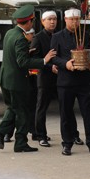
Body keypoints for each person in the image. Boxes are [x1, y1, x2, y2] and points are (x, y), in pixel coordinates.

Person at [0, 5, 56, 153]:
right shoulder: (21, 38)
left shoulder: (10, 33)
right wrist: (44, 60)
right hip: (17, 81)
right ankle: (20, 142)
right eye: (32, 21)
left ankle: (1, 132)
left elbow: (15, 55)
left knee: (12, 108)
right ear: (28, 22)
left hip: (5, 79)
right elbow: (23, 63)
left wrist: (27, 52)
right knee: (22, 112)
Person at [50, 8, 90, 156]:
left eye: (77, 19)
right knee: (66, 114)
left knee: (88, 113)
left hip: (84, 81)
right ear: (65, 20)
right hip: (65, 82)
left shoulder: (85, 36)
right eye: (71, 19)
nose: (74, 22)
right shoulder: (58, 37)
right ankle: (67, 143)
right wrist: (65, 64)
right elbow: (53, 57)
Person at [30, 11, 59, 147]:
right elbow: (34, 60)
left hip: (59, 77)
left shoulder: (58, 36)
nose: (52, 22)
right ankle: (40, 135)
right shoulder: (38, 37)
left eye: (54, 19)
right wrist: (49, 66)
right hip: (45, 77)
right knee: (41, 107)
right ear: (42, 22)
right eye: (49, 19)